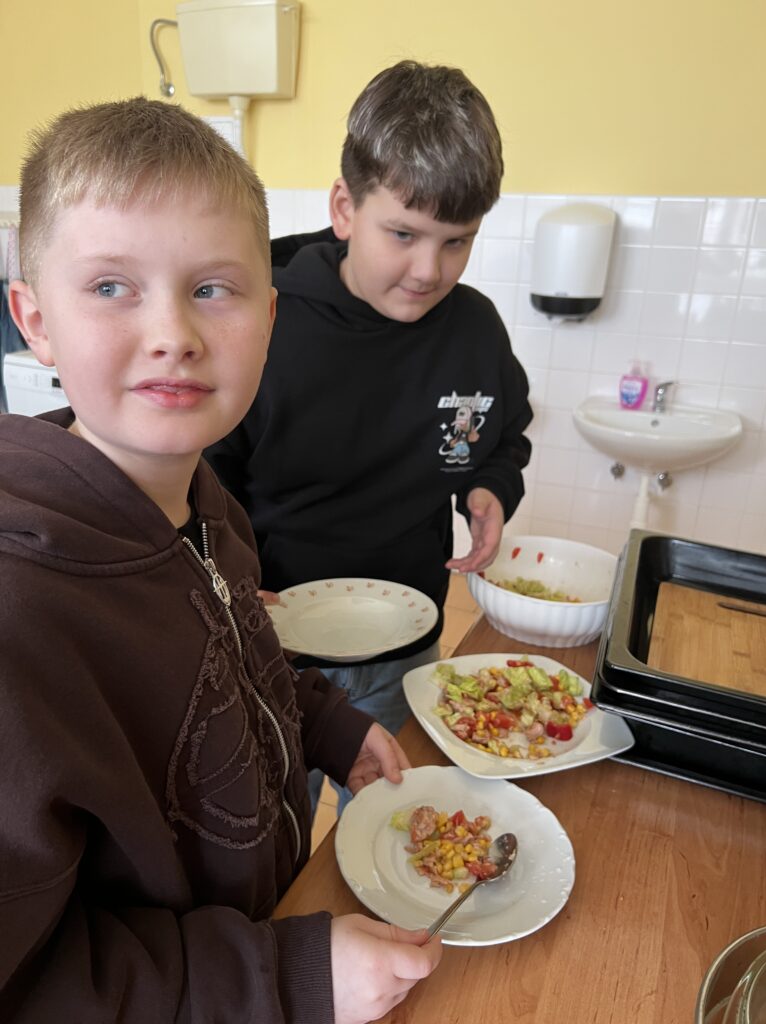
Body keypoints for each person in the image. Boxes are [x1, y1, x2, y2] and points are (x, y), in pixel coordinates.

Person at [0, 97, 442, 1024]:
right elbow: (28, 981)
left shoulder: (206, 507)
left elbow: (234, 663)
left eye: (212, 288)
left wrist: (324, 724)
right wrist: (281, 979)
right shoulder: (20, 619)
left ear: (268, 318)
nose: (175, 333)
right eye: (111, 286)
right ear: (34, 321)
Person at [205, 60, 533, 812]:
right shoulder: (264, 319)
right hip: (274, 651)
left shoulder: (476, 330)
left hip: (405, 649)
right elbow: (204, 476)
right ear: (345, 208)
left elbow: (503, 436)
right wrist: (225, 575)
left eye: (457, 242)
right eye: (403, 234)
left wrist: (491, 489)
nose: (428, 270)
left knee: (388, 824)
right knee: (274, 833)